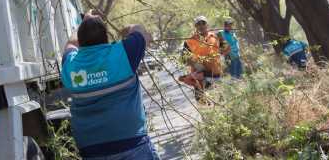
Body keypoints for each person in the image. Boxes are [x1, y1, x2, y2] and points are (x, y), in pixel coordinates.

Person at [61, 14, 160, 160]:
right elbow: (140, 31)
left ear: (81, 41)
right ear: (106, 37)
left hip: (92, 150)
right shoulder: (124, 52)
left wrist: (85, 22)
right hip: (132, 143)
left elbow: (70, 44)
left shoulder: (71, 66)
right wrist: (126, 30)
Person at [181, 16, 227, 101]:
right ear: (195, 26)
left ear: (207, 24)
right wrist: (196, 64)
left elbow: (226, 49)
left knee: (221, 102)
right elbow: (183, 58)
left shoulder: (216, 36)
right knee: (202, 102)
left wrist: (222, 40)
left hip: (216, 74)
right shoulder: (189, 41)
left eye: (203, 23)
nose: (201, 26)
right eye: (198, 24)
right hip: (200, 76)